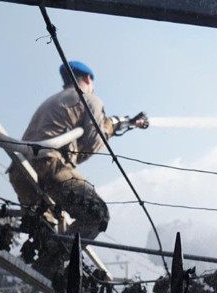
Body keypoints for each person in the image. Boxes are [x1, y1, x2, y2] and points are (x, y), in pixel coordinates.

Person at [8, 61, 129, 278]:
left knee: (45, 227)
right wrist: (109, 127)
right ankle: (48, 265)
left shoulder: (52, 101)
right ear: (89, 80)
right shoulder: (89, 99)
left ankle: (43, 265)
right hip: (49, 165)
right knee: (97, 214)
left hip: (20, 170)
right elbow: (93, 143)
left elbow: (69, 148)